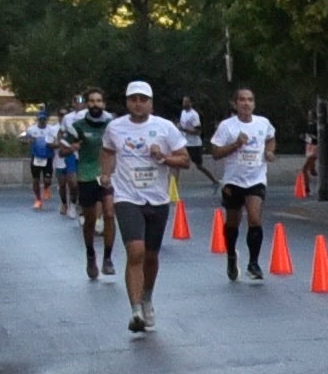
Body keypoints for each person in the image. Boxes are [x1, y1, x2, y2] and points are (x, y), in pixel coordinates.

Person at [103, 79, 195, 333]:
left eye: (143, 99)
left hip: (157, 197)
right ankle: (134, 312)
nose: (138, 103)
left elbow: (185, 161)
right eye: (133, 99)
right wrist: (106, 174)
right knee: (136, 251)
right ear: (127, 102)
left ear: (150, 103)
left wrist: (164, 157)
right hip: (127, 196)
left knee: (151, 256)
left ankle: (147, 298)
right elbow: (108, 151)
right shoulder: (115, 127)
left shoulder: (165, 128)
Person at [209, 87, 276, 280]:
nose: (246, 103)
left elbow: (271, 138)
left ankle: (253, 263)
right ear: (235, 104)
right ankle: (231, 255)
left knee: (254, 218)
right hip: (233, 181)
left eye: (250, 100)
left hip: (256, 178)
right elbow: (215, 153)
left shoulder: (263, 123)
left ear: (254, 104)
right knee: (233, 222)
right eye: (242, 100)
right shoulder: (227, 126)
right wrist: (236, 145)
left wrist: (269, 152)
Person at [66, 90, 115, 277]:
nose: (96, 104)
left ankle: (108, 259)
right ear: (87, 104)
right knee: (90, 221)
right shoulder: (78, 125)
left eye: (99, 101)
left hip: (107, 175)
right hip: (86, 175)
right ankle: (90, 255)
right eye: (92, 101)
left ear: (104, 103)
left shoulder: (112, 125)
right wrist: (71, 148)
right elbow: (62, 149)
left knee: (110, 214)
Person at [26, 112, 55, 208]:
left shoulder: (51, 129)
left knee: (47, 180)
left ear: (46, 120)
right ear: (37, 119)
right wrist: (28, 141)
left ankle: (46, 188)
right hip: (36, 157)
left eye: (44, 119)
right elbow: (25, 140)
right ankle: (38, 200)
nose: (42, 121)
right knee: (35, 180)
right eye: (40, 119)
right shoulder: (31, 129)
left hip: (47, 157)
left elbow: (56, 140)